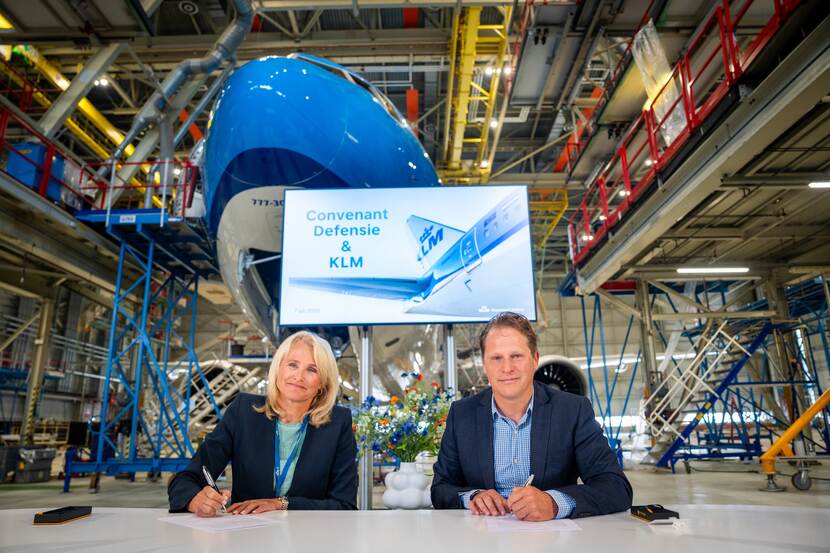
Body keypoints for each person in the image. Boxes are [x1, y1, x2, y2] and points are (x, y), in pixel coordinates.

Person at [431, 312, 632, 520]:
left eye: (516, 356)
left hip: (552, 539)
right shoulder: (461, 414)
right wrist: (473, 496)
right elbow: (440, 489)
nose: (507, 368)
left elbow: (616, 486)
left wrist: (554, 503)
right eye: (496, 358)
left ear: (535, 359)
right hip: (483, 540)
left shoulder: (572, 410)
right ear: (485, 365)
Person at [168, 331, 357, 515]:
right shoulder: (243, 411)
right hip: (249, 535)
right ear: (278, 368)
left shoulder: (338, 423)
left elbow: (344, 504)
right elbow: (187, 479)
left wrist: (280, 504)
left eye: (312, 369)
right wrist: (196, 500)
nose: (298, 376)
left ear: (323, 382)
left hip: (307, 537)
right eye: (292, 365)